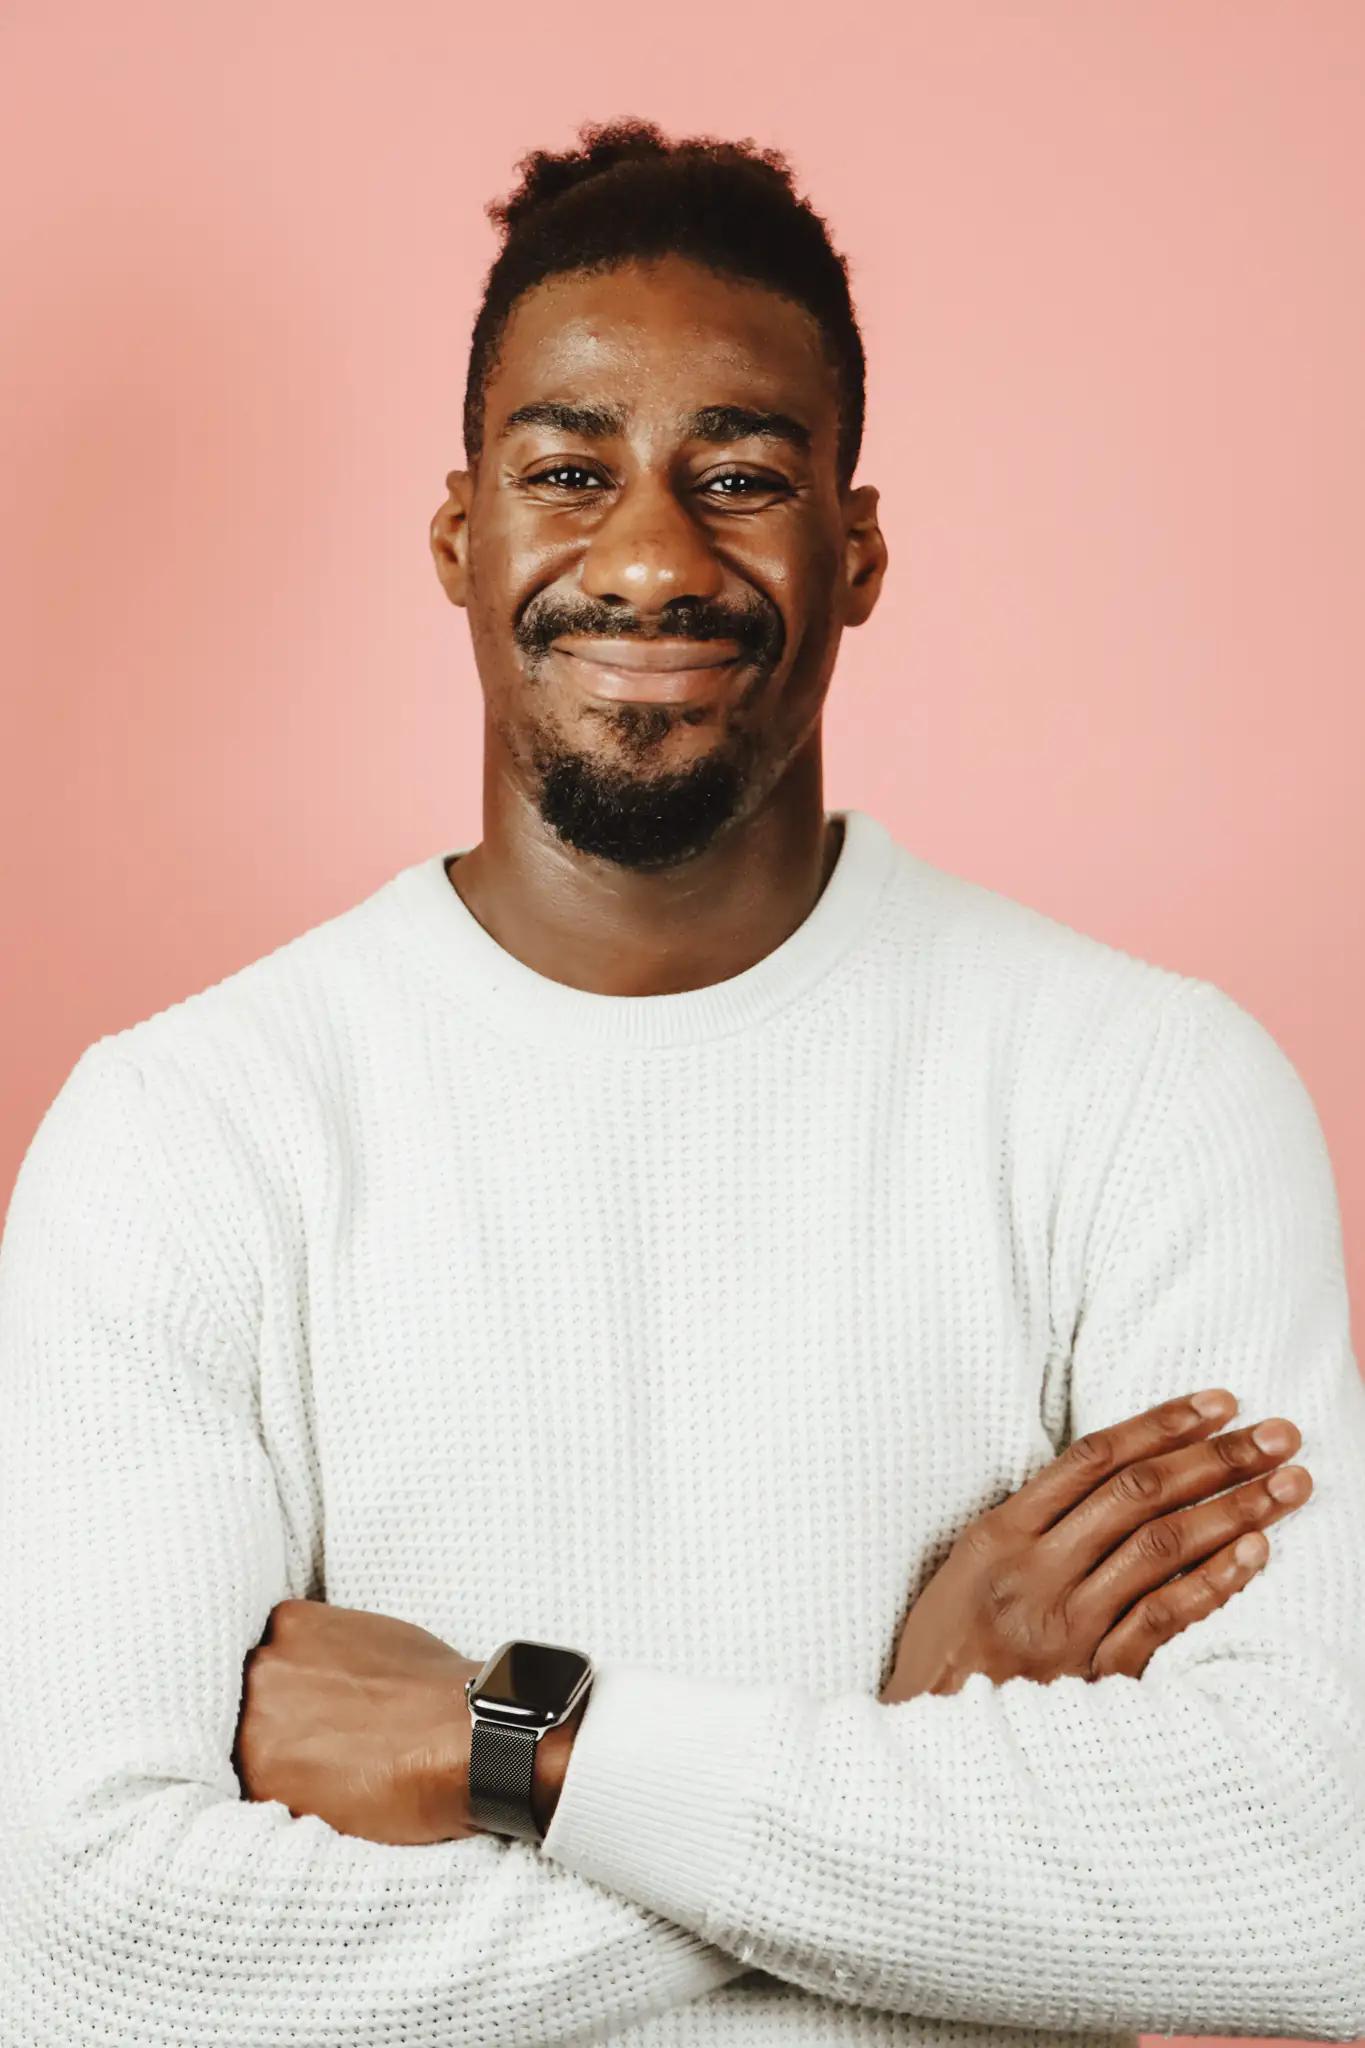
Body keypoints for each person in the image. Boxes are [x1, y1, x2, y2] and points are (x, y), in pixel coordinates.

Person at [1, 118, 1362, 2048]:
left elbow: (1306, 1878)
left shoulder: (1144, 1094)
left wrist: (529, 1745)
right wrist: (898, 1759)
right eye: (571, 469)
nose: (648, 552)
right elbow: (85, 1956)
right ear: (460, 535)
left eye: (739, 475)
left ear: (857, 549)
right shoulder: (188, 1138)